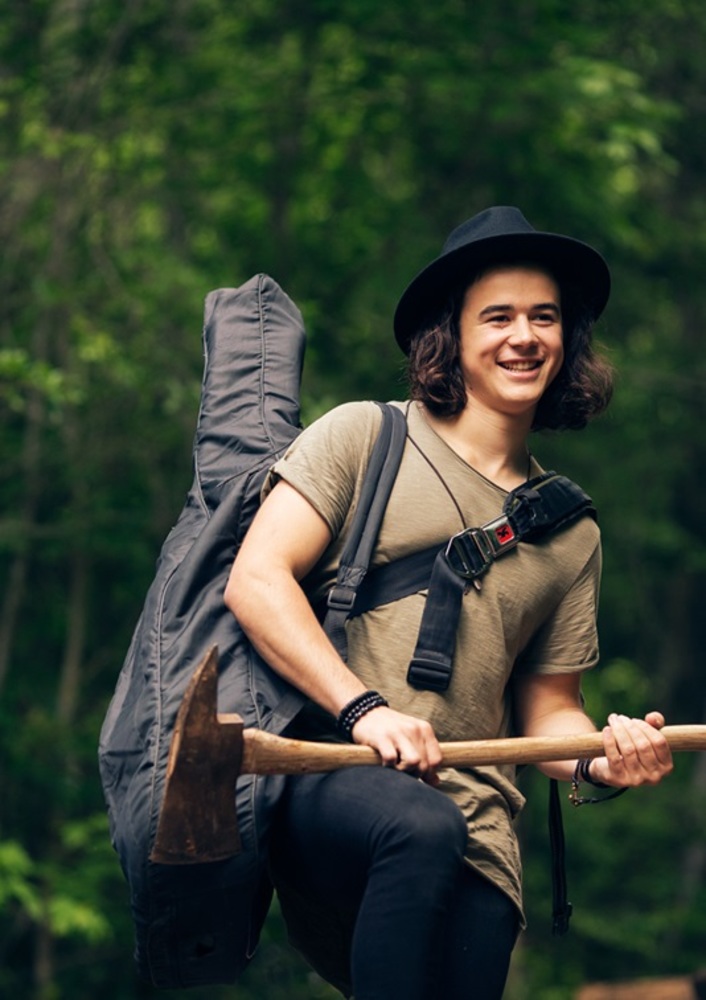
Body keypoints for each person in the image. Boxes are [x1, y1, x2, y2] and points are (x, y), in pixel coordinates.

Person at [224, 206, 673, 1000]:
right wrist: (364, 709)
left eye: (545, 317)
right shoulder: (366, 436)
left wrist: (603, 756)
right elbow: (256, 580)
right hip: (333, 771)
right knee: (418, 825)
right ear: (453, 337)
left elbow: (551, 717)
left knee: (455, 864)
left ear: (566, 341)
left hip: (483, 834)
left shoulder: (572, 531)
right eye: (497, 316)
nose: (523, 337)